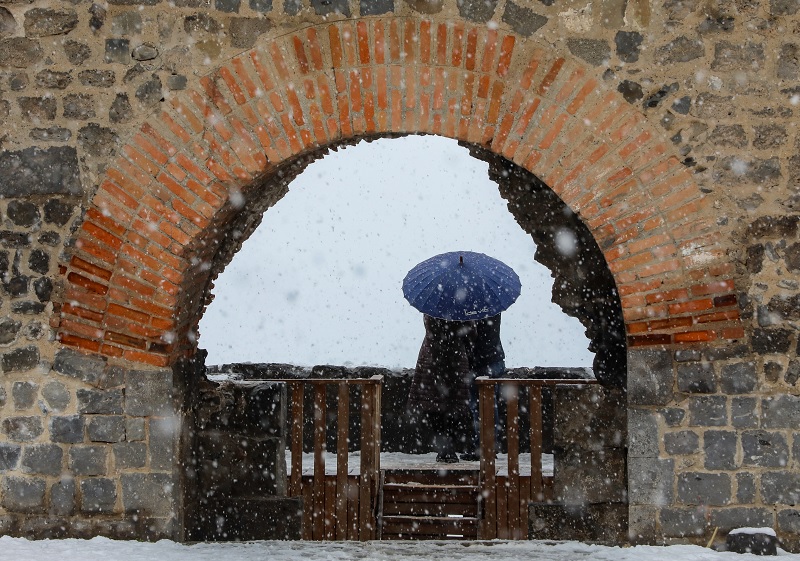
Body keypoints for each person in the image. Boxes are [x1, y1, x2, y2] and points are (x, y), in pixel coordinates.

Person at [406, 314, 477, 463]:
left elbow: (430, 328)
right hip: (455, 357)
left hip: (432, 356)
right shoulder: (461, 309)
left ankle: (444, 448)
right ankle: (449, 446)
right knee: (454, 404)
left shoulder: (432, 308)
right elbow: (471, 332)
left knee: (433, 404)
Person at [461, 313, 506, 461]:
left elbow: (471, 334)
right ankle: (489, 446)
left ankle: (483, 448)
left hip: (480, 363)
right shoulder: (493, 306)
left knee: (479, 406)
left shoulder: (472, 309)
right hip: (495, 358)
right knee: (491, 404)